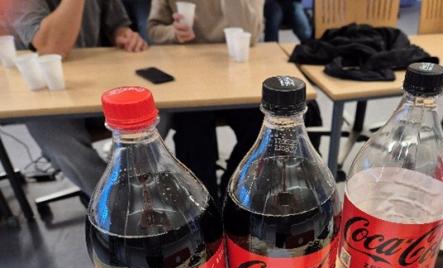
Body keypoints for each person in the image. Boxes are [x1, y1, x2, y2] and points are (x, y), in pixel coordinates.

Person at [8, 0, 151, 198]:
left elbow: (117, 23)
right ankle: (114, 200)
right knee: (60, 142)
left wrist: (123, 35)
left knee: (153, 113)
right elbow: (51, 48)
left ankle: (124, 178)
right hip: (44, 93)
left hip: (98, 84)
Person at [148, 0, 264, 198]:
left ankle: (232, 192)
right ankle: (204, 202)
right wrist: (173, 32)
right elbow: (154, 28)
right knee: (192, 131)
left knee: (261, 125)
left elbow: (250, 34)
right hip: (190, 76)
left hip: (238, 74)